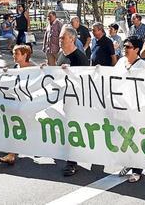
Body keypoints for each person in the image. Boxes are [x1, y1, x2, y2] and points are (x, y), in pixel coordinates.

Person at [115, 36, 145, 183]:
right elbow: (111, 77)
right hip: (120, 107)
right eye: (124, 46)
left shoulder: (142, 66)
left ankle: (137, 169)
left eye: (128, 47)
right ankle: (128, 163)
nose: (125, 49)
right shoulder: (122, 62)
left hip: (135, 109)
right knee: (123, 138)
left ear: (136, 49)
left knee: (135, 138)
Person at [56, 27, 90, 177]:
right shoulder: (60, 55)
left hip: (76, 101)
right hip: (63, 100)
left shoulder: (80, 58)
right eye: (60, 37)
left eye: (63, 38)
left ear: (72, 38)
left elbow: (85, 82)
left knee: (73, 130)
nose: (60, 40)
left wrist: (70, 73)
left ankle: (72, 163)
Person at [0, 45, 33, 165]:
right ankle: (11, 154)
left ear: (25, 55)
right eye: (13, 53)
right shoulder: (15, 67)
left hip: (30, 106)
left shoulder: (33, 68)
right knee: (15, 128)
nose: (13, 56)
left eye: (16, 53)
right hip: (18, 105)